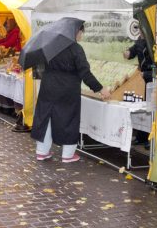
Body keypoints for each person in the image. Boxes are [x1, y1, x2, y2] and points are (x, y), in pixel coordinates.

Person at [31, 21, 111, 163]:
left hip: (48, 86)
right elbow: (85, 73)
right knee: (68, 119)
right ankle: (67, 155)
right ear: (76, 32)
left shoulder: (50, 45)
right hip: (67, 90)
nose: (81, 35)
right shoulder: (76, 49)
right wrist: (100, 88)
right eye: (81, 32)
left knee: (45, 117)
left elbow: (41, 64)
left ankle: (41, 152)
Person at [123, 31, 154, 148]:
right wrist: (127, 53)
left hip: (153, 79)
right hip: (142, 80)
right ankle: (142, 137)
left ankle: (151, 139)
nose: (140, 31)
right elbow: (132, 52)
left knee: (151, 109)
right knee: (143, 108)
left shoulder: (155, 41)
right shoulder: (140, 40)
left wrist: (146, 74)